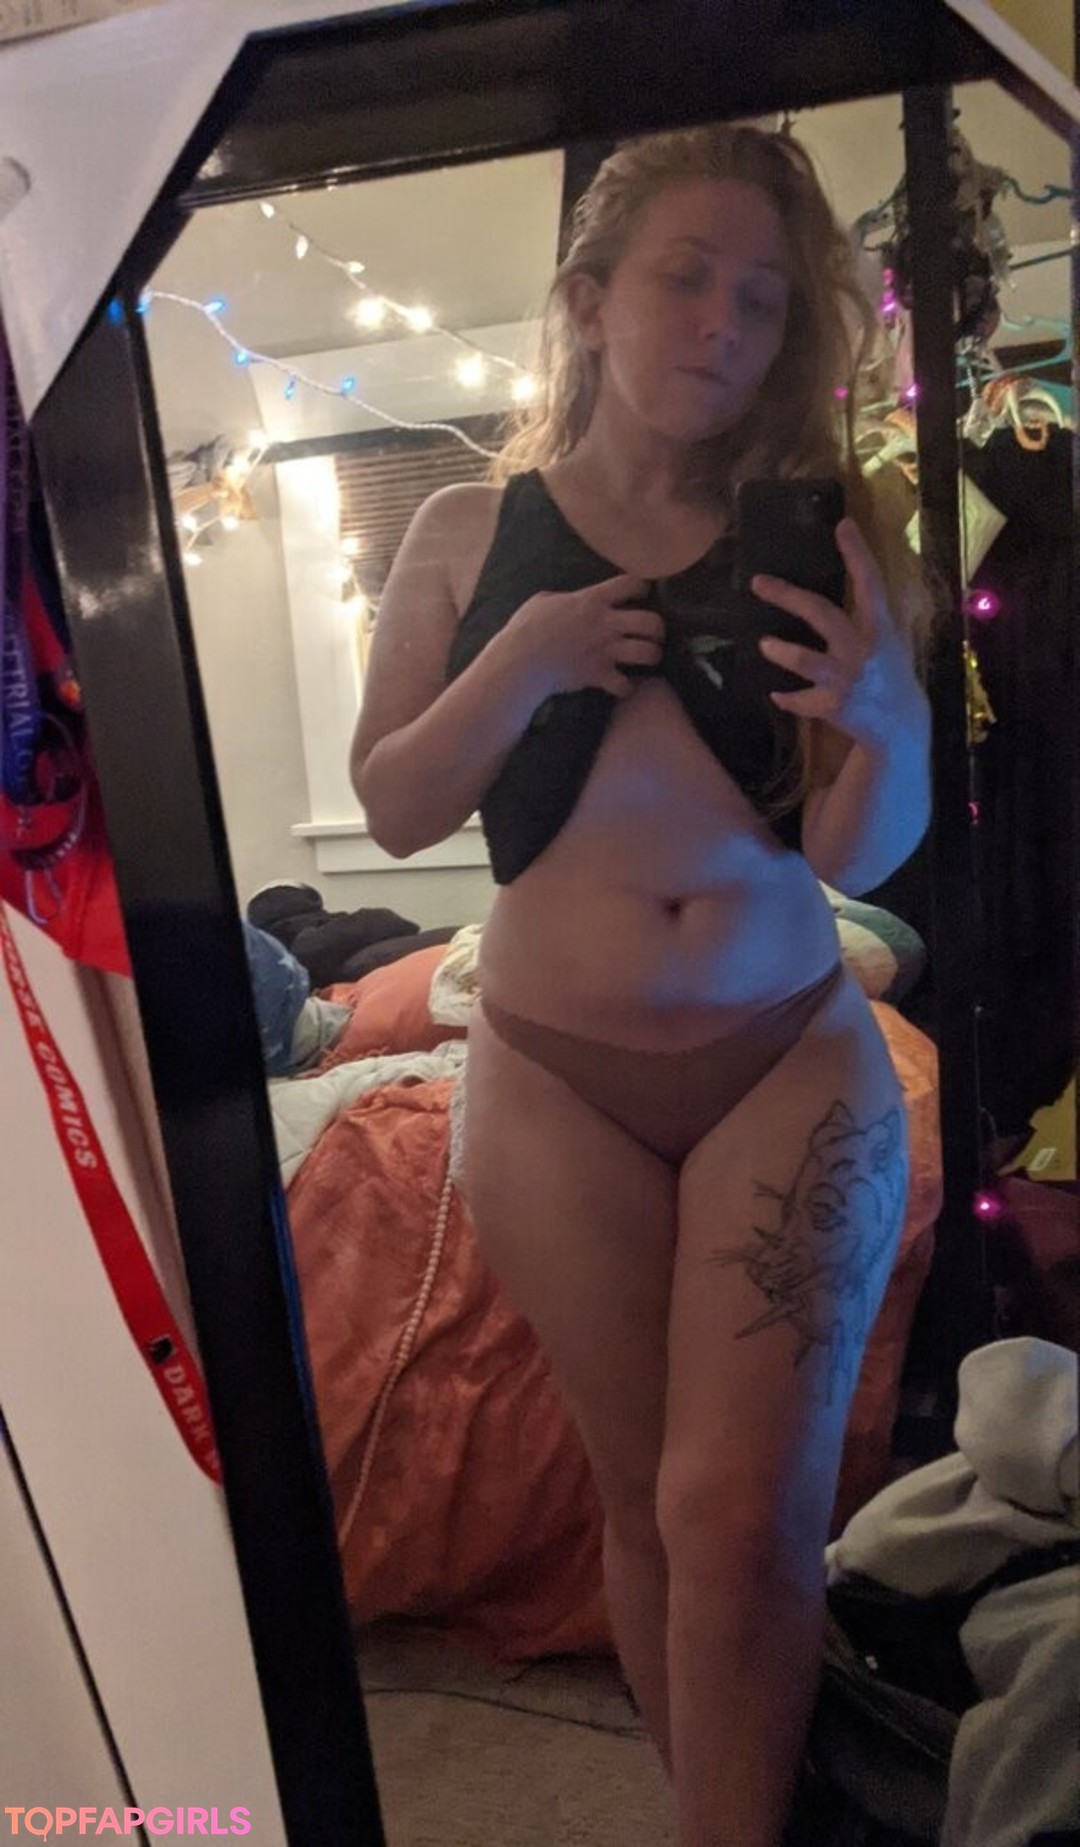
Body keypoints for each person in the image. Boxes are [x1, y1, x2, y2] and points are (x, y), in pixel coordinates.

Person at [350, 123, 932, 1847]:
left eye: (764, 298)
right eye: (687, 279)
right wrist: (524, 660)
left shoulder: (825, 534)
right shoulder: (463, 529)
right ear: (590, 301)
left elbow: (860, 847)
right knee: (645, 1503)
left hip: (784, 1053)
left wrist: (885, 716)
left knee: (738, 1509)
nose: (725, 325)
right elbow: (396, 807)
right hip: (554, 1078)